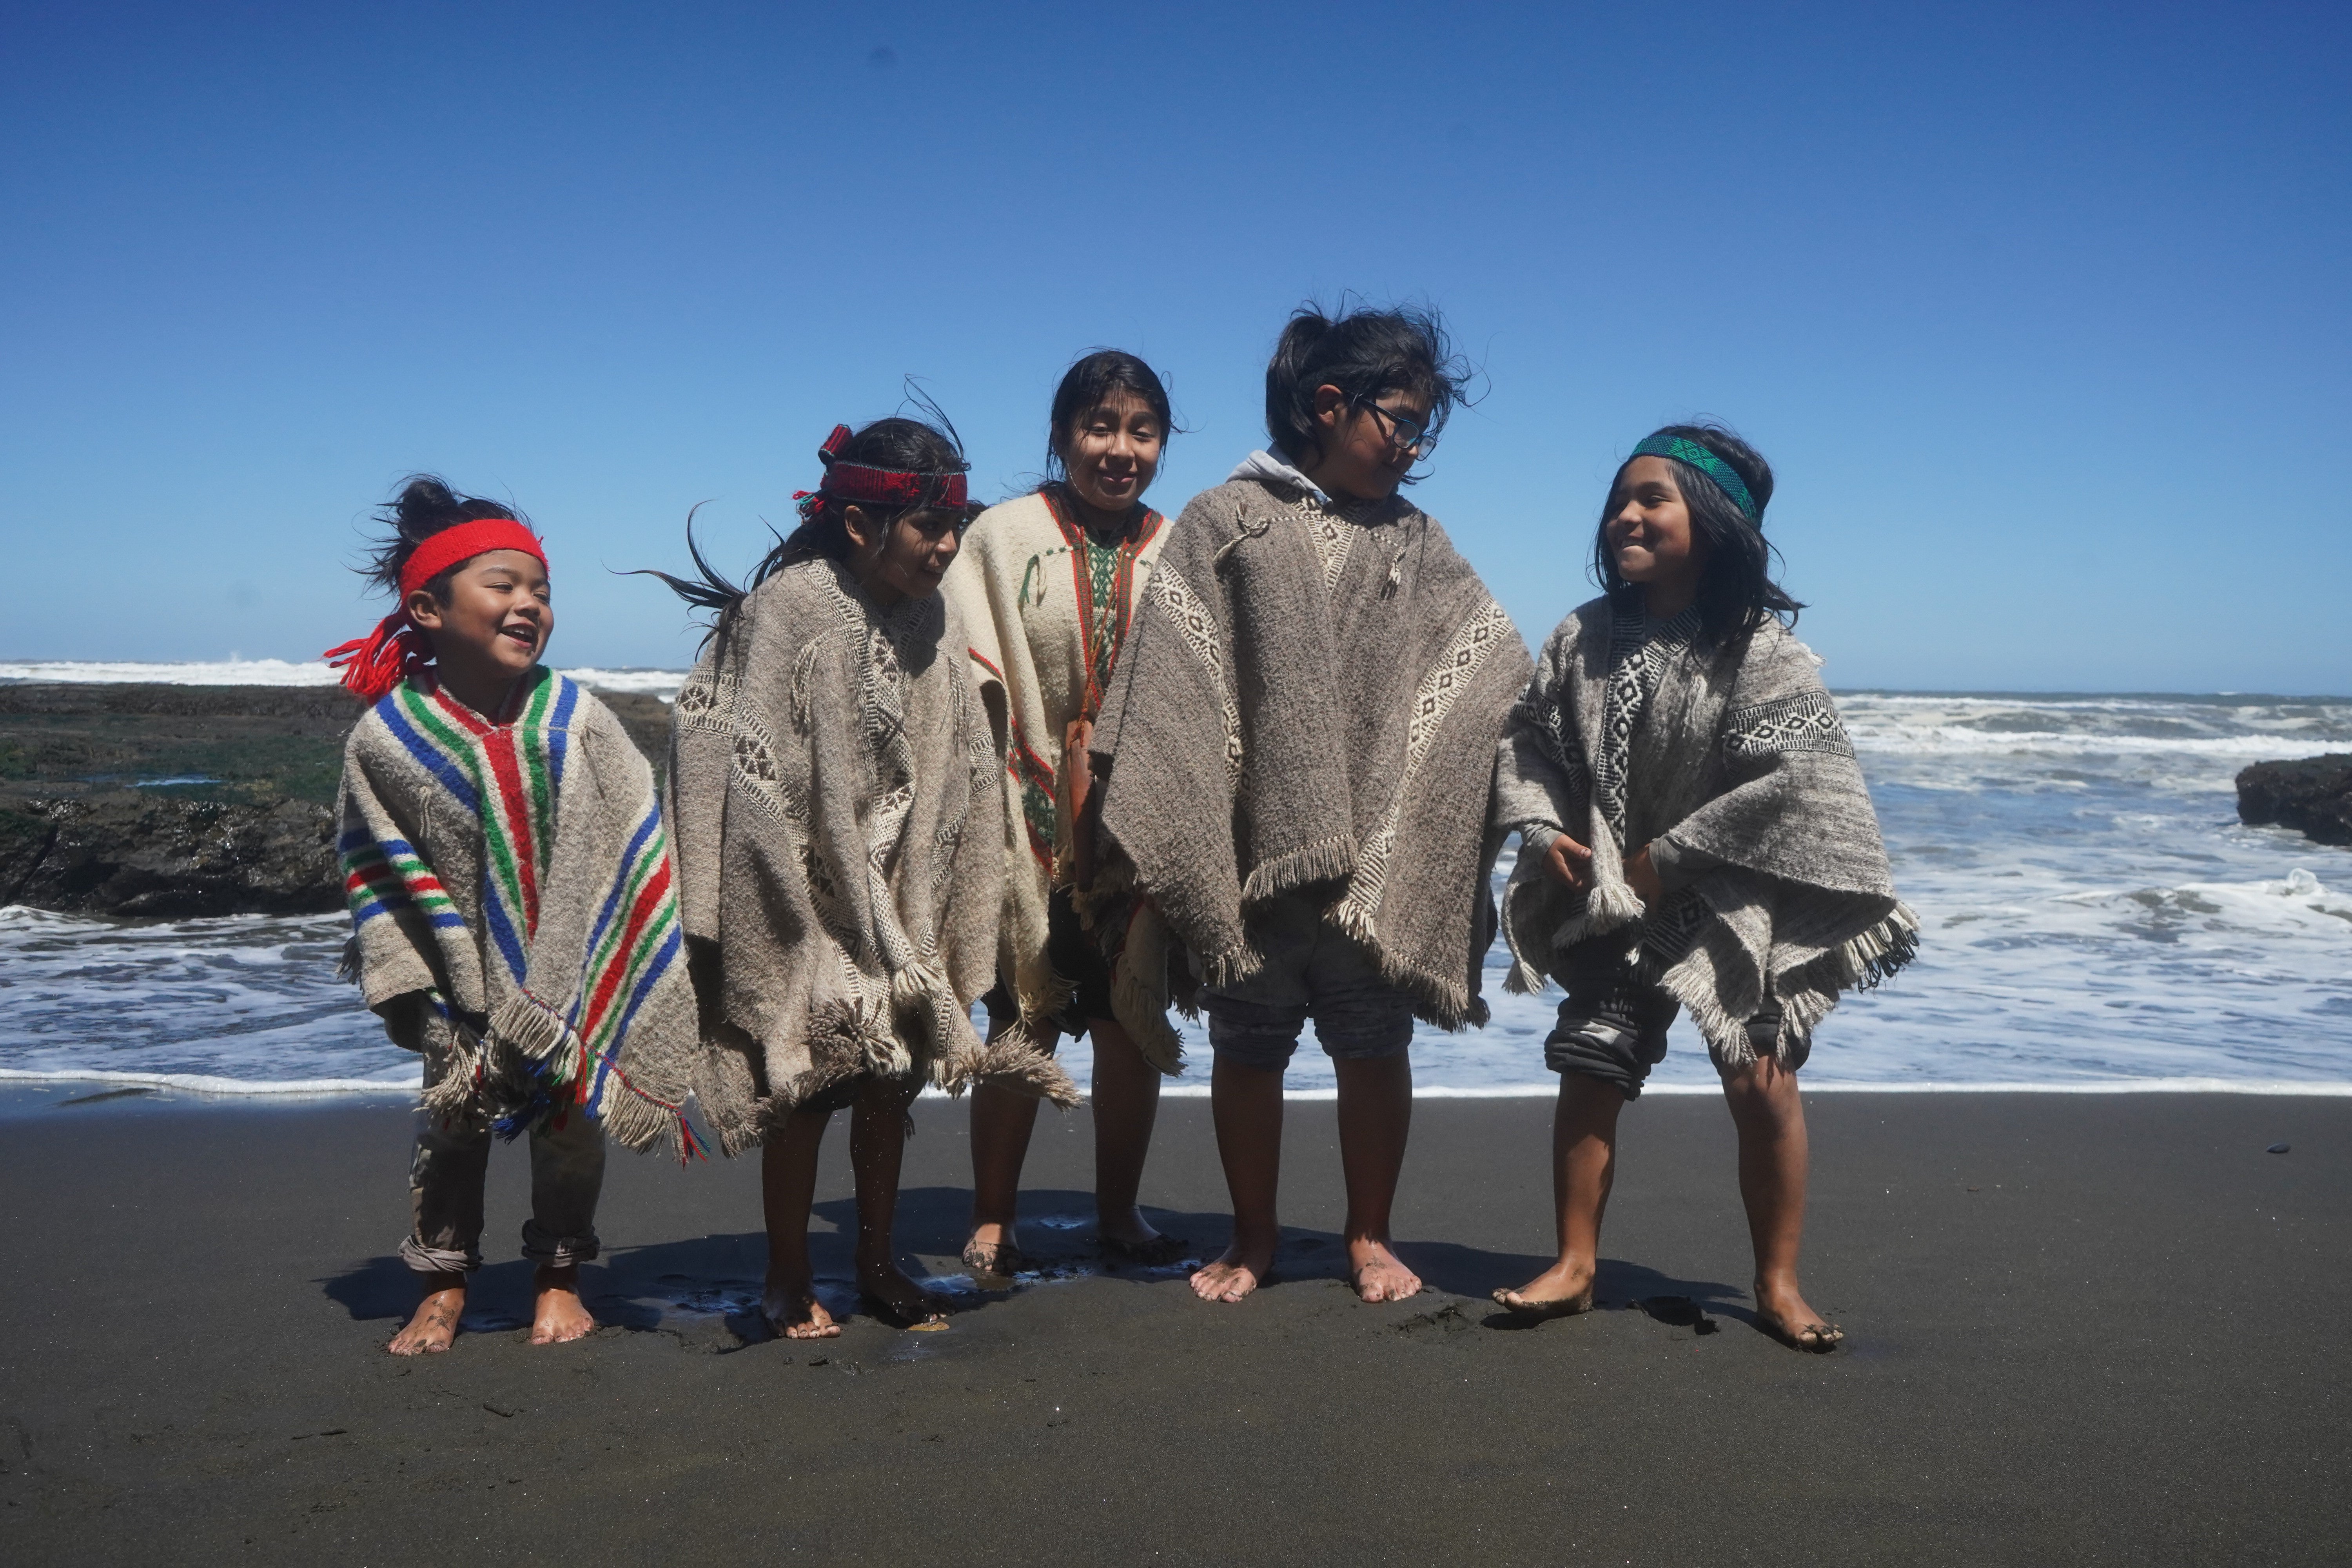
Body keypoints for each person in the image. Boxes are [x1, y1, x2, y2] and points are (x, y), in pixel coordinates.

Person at [1090, 305, 1532, 1305]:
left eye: (1425, 429)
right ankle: (1253, 1237)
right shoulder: (1230, 516)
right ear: (1330, 406)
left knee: (1373, 1043)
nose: (1412, 448)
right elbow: (1172, 680)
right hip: (1253, 857)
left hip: (1369, 871)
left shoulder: (1418, 541)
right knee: (1248, 1048)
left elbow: (1490, 673)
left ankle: (1368, 1235)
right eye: (1402, 422)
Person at [1487, 424, 1917, 1351]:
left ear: (1715, 523)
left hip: (1734, 900)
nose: (1627, 516)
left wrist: (1669, 857)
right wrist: (1544, 826)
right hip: (1611, 891)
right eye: (1618, 500)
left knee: (1763, 1082)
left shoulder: (1760, 648)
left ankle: (1777, 1280)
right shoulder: (1584, 634)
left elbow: (1802, 781)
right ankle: (1574, 1262)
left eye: (1654, 499)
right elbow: (1527, 738)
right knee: (1592, 1064)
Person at [655, 414, 1076, 1338]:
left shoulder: (934, 612)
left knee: (891, 1079)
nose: (947, 545)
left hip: (899, 894)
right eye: (929, 524)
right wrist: (806, 885)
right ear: (858, 524)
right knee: (806, 1086)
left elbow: (960, 752)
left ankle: (878, 1262)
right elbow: (745, 757)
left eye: (954, 523)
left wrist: (931, 896)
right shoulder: (793, 607)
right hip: (801, 892)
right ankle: (785, 1274)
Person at [328, 476, 702, 1357]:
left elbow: (631, 827)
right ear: (427, 604)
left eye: (540, 590)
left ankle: (561, 1273)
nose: (529, 605)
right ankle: (444, 1281)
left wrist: (578, 958)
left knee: (571, 1134)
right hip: (461, 985)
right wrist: (435, 974)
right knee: (453, 1128)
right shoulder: (389, 737)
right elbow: (376, 866)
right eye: (503, 586)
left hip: (570, 977)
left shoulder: (577, 717)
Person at [941, 350, 1189, 1274]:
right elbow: (965, 666)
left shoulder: (1182, 547)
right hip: (1022, 811)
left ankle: (1119, 1211)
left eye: (1142, 431)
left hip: (1139, 828)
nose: (1119, 450)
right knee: (1021, 1014)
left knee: (1131, 1020)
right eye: (1098, 427)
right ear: (1060, 434)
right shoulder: (1000, 536)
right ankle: (993, 1214)